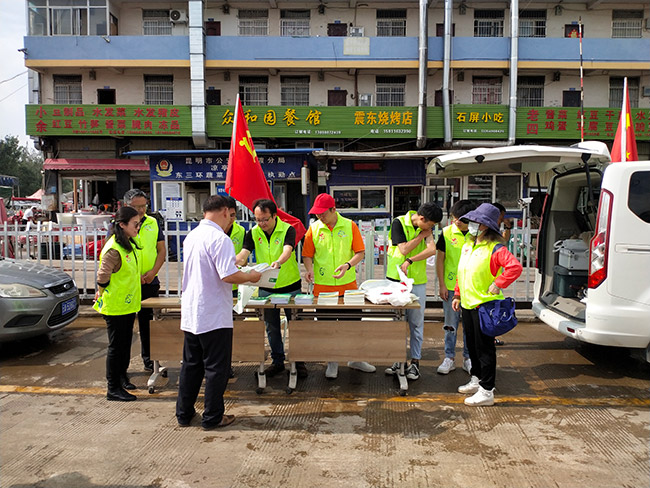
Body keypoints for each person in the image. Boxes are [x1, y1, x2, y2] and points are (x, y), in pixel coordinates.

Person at [176, 195, 261, 430]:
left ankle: (184, 413)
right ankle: (212, 416)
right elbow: (228, 275)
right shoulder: (220, 238)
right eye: (231, 216)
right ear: (225, 211)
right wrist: (251, 277)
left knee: (191, 365)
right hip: (213, 313)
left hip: (192, 311)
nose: (231, 221)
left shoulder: (192, 236)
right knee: (216, 368)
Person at [452, 203, 523, 406]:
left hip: (485, 306)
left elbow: (515, 267)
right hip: (468, 304)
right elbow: (461, 271)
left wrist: (498, 283)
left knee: (485, 349)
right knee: (472, 346)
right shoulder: (468, 245)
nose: (472, 225)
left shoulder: (495, 248)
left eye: (476, 222)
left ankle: (487, 390)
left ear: (486, 226)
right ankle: (476, 378)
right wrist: (457, 294)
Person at [302, 193, 375, 379]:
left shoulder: (350, 226)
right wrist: (309, 269)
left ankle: (355, 359)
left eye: (323, 213)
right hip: (323, 287)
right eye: (317, 213)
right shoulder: (314, 229)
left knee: (352, 326)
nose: (320, 216)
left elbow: (360, 252)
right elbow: (307, 255)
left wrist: (347, 265)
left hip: (348, 286)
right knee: (327, 328)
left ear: (333, 209)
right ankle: (332, 362)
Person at [236, 199, 307, 379]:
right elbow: (244, 252)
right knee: (271, 326)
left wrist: (279, 261)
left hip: (290, 285)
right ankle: (277, 361)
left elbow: (287, 250)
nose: (261, 223)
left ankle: (299, 362)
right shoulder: (253, 232)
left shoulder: (288, 229)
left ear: (274, 216)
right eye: (258, 219)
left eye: (265, 219)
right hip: (267, 286)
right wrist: (236, 261)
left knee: (296, 324)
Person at [384, 202, 442, 381]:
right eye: (430, 225)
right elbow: (403, 249)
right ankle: (397, 359)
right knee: (396, 323)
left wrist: (410, 260)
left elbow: (432, 250)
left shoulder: (426, 227)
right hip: (396, 280)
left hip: (417, 281)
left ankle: (415, 362)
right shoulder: (398, 223)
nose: (430, 229)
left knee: (416, 324)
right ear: (422, 218)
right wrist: (421, 236)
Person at [93, 206, 143, 402]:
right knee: (116, 347)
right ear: (122, 225)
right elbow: (103, 277)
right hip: (116, 306)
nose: (138, 227)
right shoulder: (114, 249)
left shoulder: (128, 244)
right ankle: (113, 387)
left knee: (124, 345)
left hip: (127, 305)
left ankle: (122, 377)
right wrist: (101, 292)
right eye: (135, 224)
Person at [124, 189, 166, 373]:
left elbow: (161, 250)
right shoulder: (120, 225)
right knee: (124, 327)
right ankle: (122, 367)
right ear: (126, 206)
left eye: (144, 206)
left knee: (148, 324)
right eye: (136, 207)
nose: (141, 210)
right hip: (127, 284)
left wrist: (153, 272)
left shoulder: (152, 222)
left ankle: (149, 360)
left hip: (149, 282)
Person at [435, 199, 477, 375]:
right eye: (454, 217)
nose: (456, 221)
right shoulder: (446, 233)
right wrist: (442, 284)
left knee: (470, 326)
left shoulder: (478, 234)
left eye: (460, 218)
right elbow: (440, 260)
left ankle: (468, 358)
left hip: (472, 287)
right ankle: (449, 358)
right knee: (450, 325)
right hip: (451, 286)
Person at [224, 196, 245, 378]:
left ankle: (229, 361)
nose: (230, 219)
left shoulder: (241, 231)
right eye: (227, 215)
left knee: (233, 328)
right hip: (218, 288)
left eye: (233, 215)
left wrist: (239, 263)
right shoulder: (212, 232)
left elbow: (243, 255)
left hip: (235, 287)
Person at [491, 202, 513, 346]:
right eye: (501, 216)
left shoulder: (495, 229)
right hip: (489, 277)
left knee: (493, 309)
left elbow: (504, 240)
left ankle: (490, 337)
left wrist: (507, 227)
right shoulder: (488, 231)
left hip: (495, 276)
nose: (502, 219)